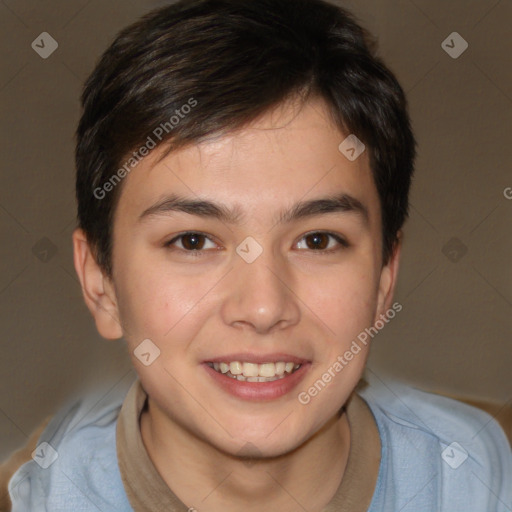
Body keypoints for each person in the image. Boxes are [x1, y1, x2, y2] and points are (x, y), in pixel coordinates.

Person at [4, 0, 511, 510]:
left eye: (317, 240)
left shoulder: (477, 480)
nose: (264, 308)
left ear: (384, 280)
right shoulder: (39, 498)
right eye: (193, 241)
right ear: (100, 283)